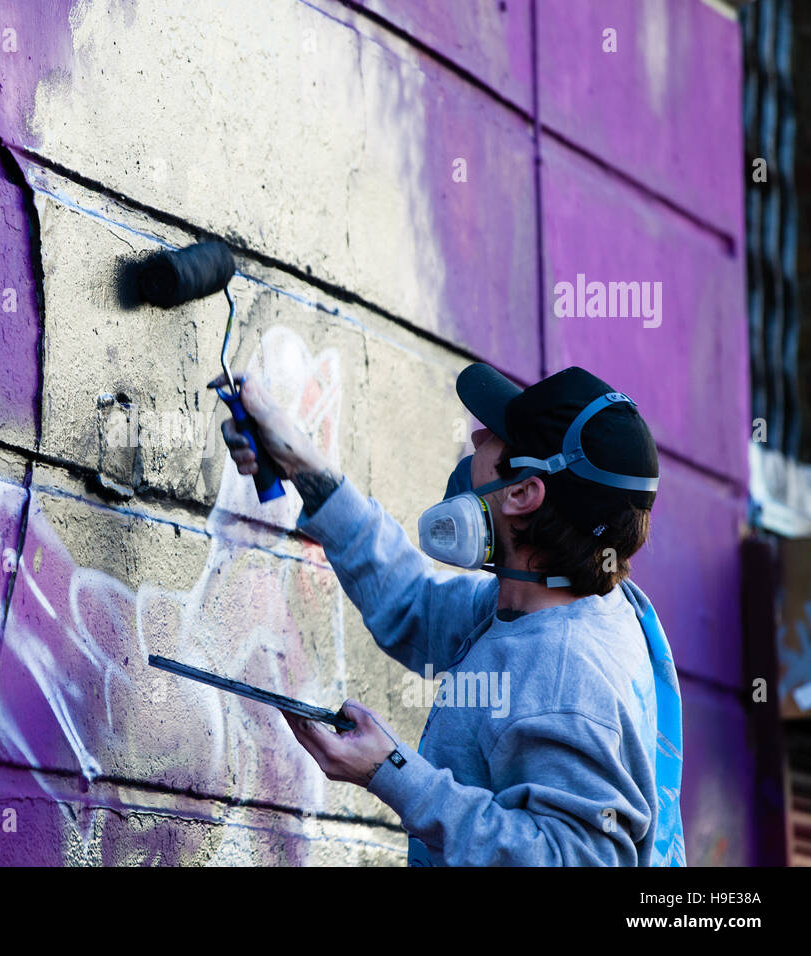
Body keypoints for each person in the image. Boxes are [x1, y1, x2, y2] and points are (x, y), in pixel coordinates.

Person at [214, 361, 686, 866]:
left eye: (497, 436)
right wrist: (305, 467)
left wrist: (393, 772)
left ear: (525, 492)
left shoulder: (567, 673)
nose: (479, 435)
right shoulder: (549, 603)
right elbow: (416, 605)